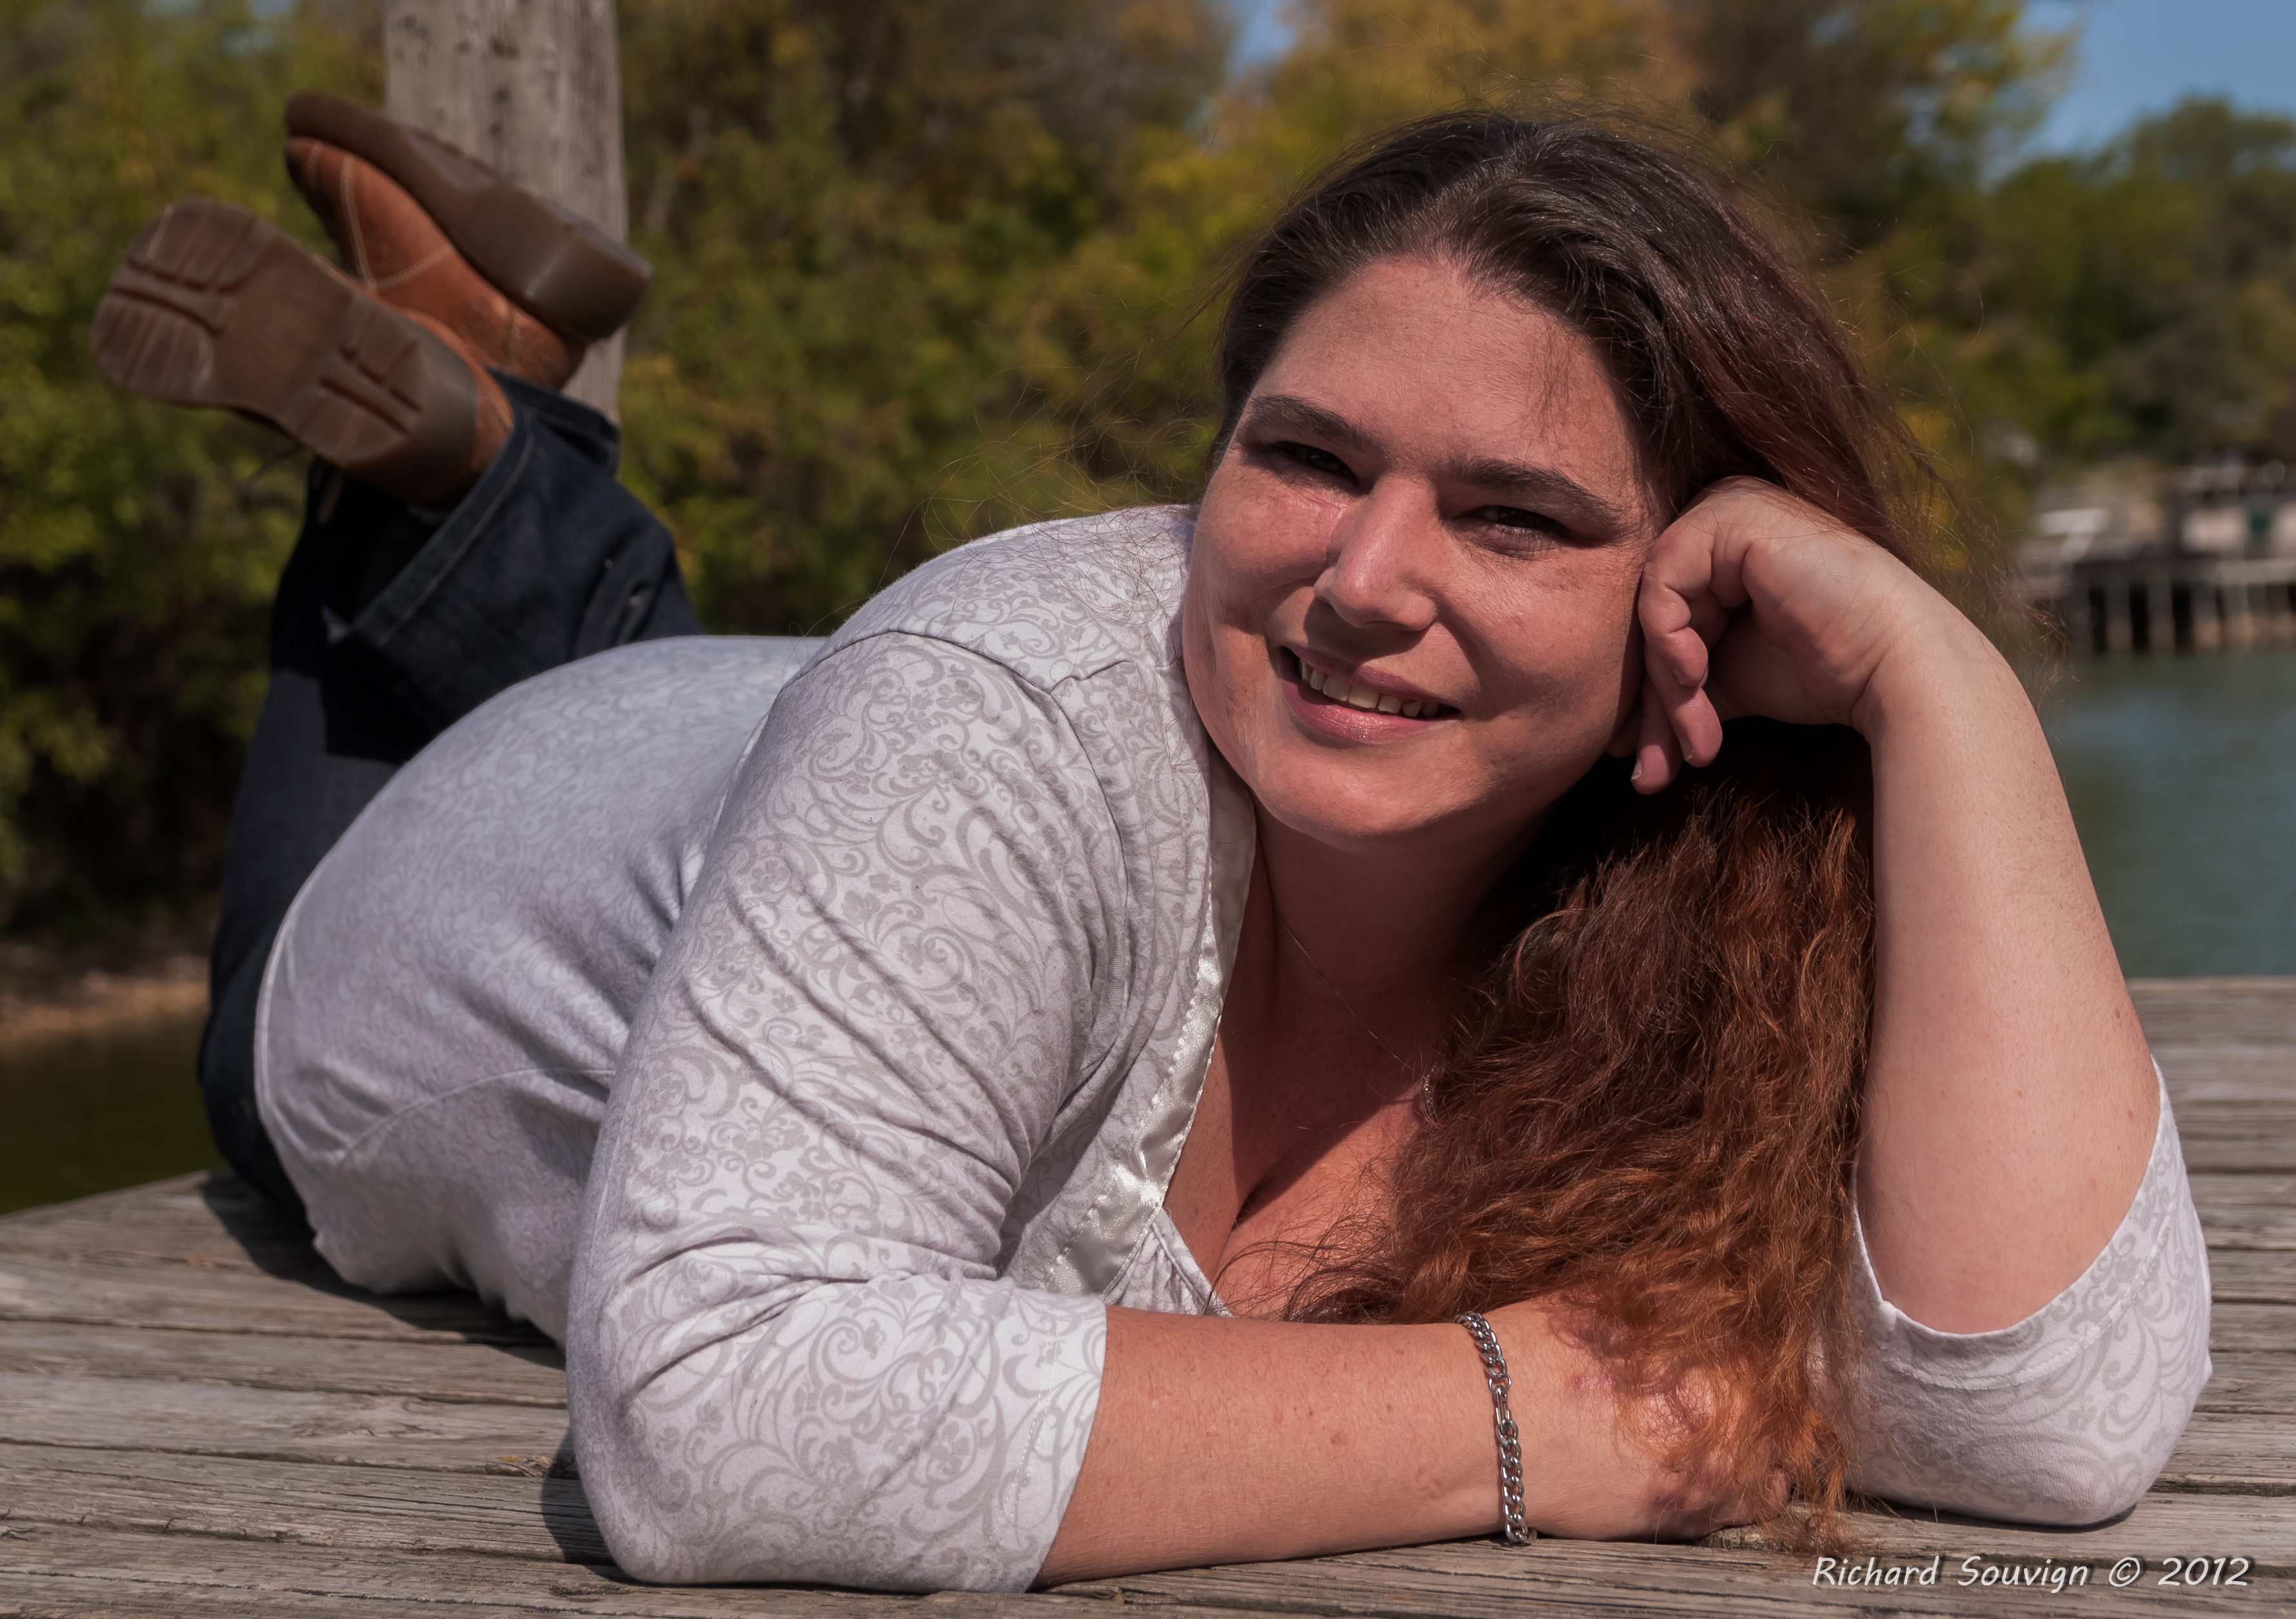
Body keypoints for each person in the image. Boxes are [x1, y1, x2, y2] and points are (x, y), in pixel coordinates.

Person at [94, 94, 2211, 1593]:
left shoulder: (1696, 879)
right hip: (422, 895)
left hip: (760, 735)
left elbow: (2040, 1428)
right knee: (839, 708)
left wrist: (1940, 686)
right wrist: (1534, 1411)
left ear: (1698, 594)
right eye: (1306, 459)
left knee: (816, 708)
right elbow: (717, 1409)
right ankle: (468, 466)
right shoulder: (1003, 704)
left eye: (1512, 516)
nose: (1363, 581)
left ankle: (494, 413)